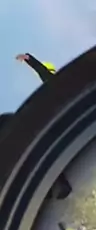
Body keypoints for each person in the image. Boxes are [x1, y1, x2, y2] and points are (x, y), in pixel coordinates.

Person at [15, 54, 72, 200]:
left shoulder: (57, 83)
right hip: (62, 121)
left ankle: (56, 185)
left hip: (64, 120)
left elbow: (43, 72)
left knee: (41, 146)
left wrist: (28, 59)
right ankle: (54, 186)